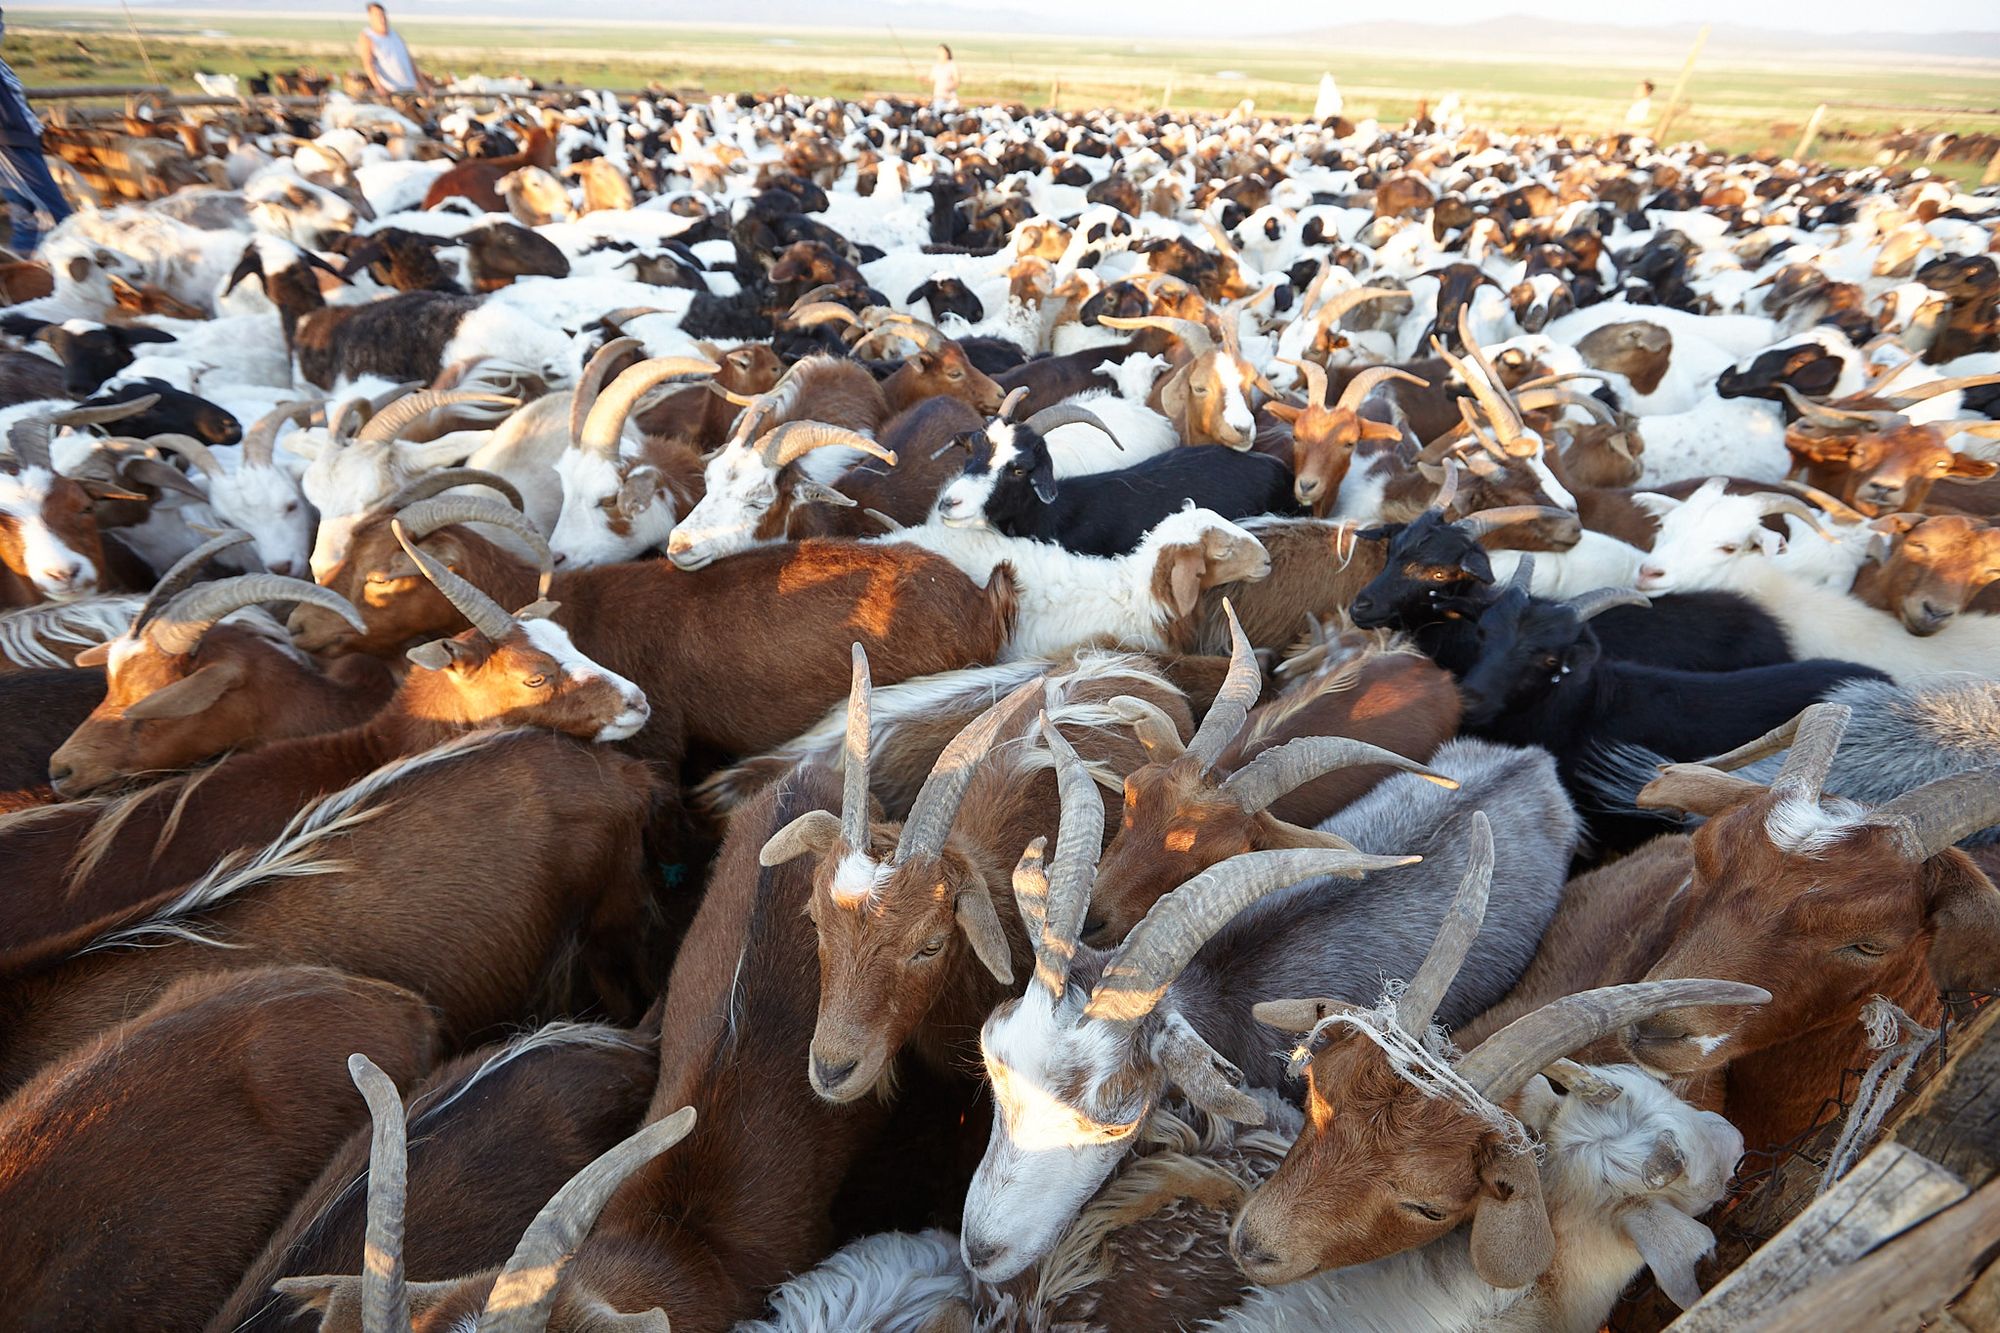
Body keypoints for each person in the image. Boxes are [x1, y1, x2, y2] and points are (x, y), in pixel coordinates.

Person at [0, 9, 69, 253]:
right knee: (49, 217)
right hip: (9, 145)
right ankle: (31, 282)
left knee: (31, 218)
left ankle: (21, 283)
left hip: (20, 141)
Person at [357, 3, 423, 98]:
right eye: (377, 15)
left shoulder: (395, 35)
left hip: (410, 88)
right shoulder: (368, 37)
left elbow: (410, 61)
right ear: (370, 18)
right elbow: (368, 64)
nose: (382, 18)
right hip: (392, 91)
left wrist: (423, 83)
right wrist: (378, 86)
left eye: (383, 14)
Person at [929, 44, 959, 113]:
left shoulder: (952, 65)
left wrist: (948, 88)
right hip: (937, 97)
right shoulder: (936, 65)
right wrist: (922, 79)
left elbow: (957, 81)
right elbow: (931, 79)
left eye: (943, 52)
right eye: (939, 52)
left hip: (949, 99)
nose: (941, 54)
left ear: (947, 53)